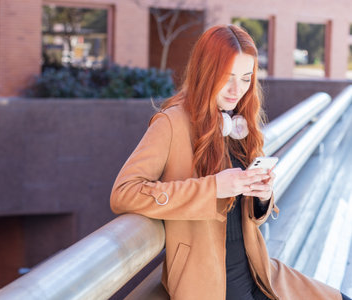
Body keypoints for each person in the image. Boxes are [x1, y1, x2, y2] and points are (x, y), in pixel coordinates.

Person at [110, 24, 350, 300]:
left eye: (246, 78)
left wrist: (262, 194)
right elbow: (124, 192)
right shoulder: (171, 123)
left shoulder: (238, 122)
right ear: (206, 72)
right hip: (209, 280)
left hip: (257, 268)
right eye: (227, 77)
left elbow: (246, 217)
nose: (238, 89)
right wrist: (213, 187)